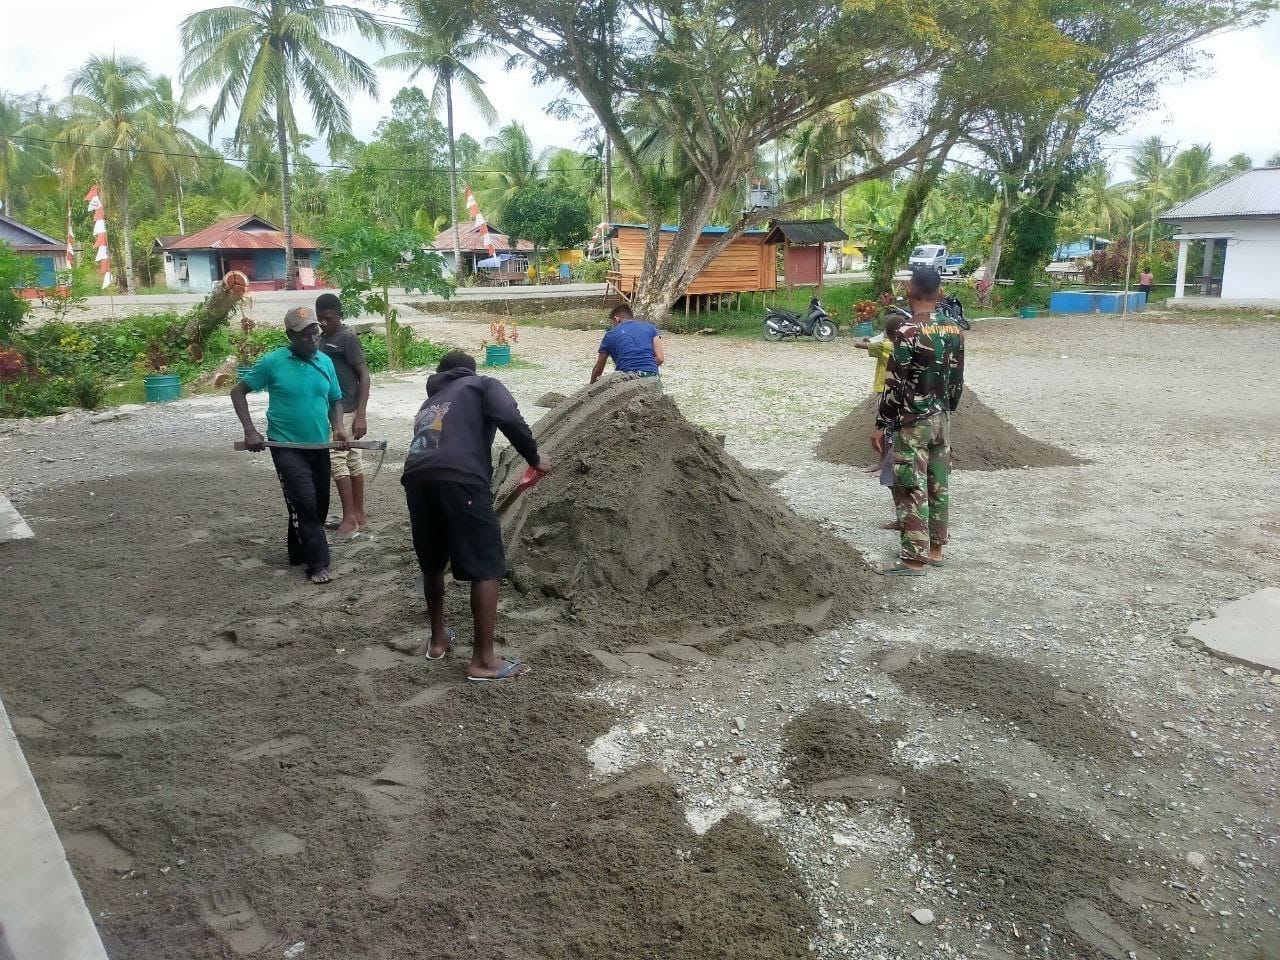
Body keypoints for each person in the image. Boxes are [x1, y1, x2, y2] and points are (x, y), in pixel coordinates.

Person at [402, 350, 552, 682]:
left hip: (416, 481)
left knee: (432, 563)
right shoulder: (481, 384)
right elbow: (508, 415)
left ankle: (438, 639)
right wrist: (534, 456)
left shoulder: (429, 404)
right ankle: (483, 661)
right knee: (486, 564)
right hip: (461, 479)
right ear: (468, 371)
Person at [232, 306, 347, 584]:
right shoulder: (273, 362)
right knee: (304, 501)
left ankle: (297, 552)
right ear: (290, 336)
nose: (312, 339)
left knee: (318, 504)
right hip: (286, 446)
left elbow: (335, 399)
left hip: (318, 445)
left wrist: (339, 427)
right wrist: (250, 430)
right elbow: (238, 391)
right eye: (305, 335)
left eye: (315, 333)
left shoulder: (325, 362)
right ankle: (318, 564)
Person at [872, 266, 964, 576]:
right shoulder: (954, 329)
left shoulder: (907, 331)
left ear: (909, 290)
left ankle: (913, 559)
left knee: (910, 483)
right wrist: (947, 409)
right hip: (942, 418)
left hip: (913, 421)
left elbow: (894, 385)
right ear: (940, 293)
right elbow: (957, 379)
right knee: (939, 484)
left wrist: (882, 424)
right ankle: (935, 549)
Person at [316, 293, 371, 540]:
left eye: (328, 318)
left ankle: (350, 519)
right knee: (351, 458)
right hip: (328, 408)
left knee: (337, 458)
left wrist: (361, 414)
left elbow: (364, 376)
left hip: (347, 407)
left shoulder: (347, 338)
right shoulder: (319, 339)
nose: (324, 323)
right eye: (320, 319)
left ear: (340, 315)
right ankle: (357, 515)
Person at [854, 309, 908, 531]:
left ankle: (904, 519)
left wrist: (872, 340)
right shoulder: (911, 348)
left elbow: (858, 344)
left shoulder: (887, 346)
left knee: (892, 462)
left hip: (888, 398)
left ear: (888, 333)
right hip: (911, 414)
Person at [590, 303, 665, 382]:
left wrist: (591, 386)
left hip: (626, 378)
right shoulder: (650, 327)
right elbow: (660, 359)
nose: (613, 326)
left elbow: (598, 368)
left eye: (613, 323)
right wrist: (647, 368)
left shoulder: (610, 335)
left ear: (617, 319)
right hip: (652, 377)